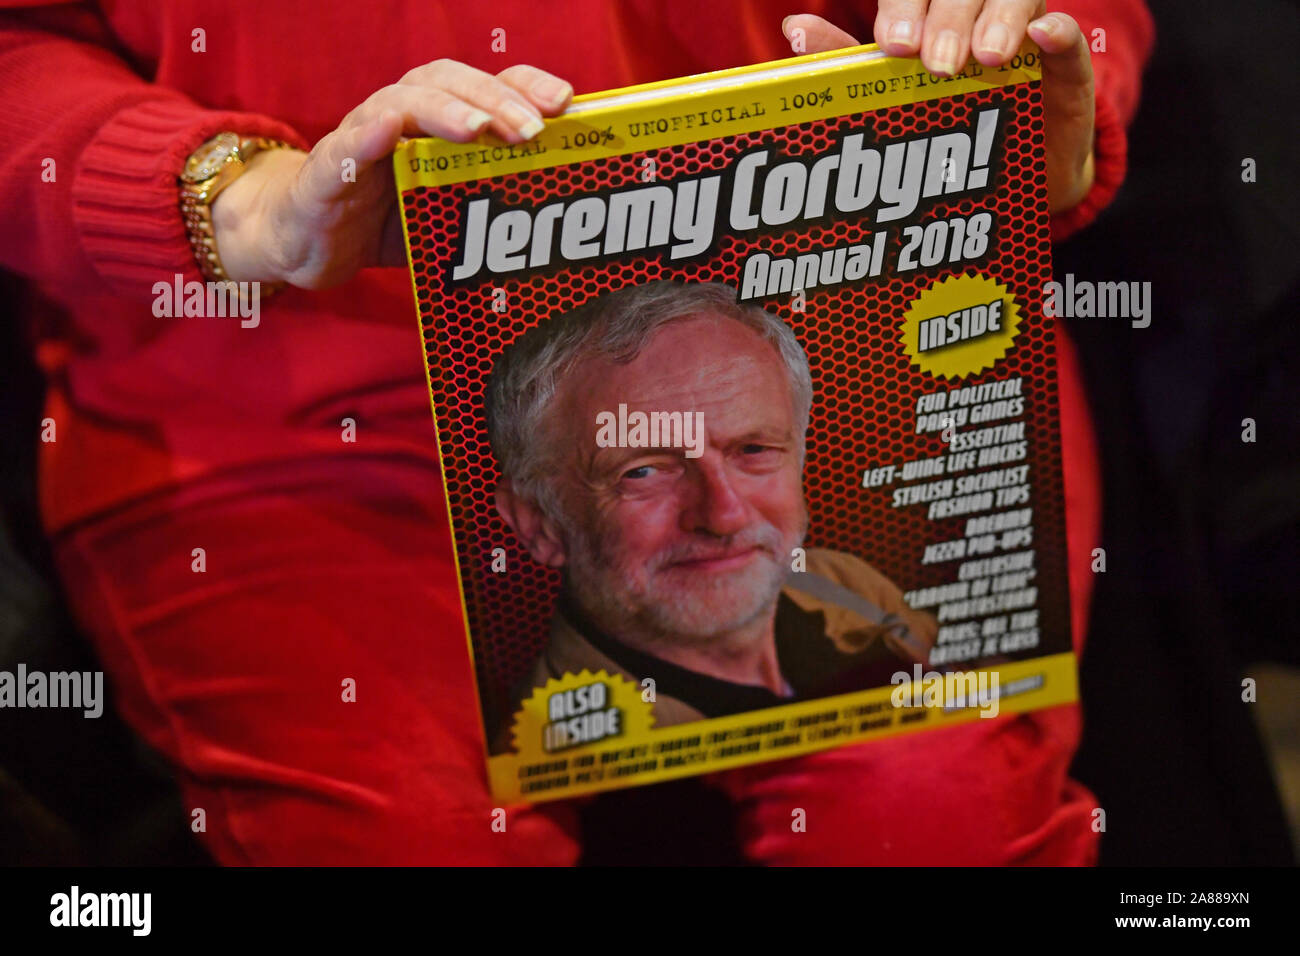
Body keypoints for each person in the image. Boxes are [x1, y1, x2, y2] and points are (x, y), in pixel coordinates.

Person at [0, 1, 1153, 864]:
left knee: (933, 821)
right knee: (414, 842)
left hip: (838, 317)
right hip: (293, 403)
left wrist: (1038, 72)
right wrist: (223, 196)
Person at [488, 281, 939, 732]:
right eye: (643, 471)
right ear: (538, 523)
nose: (725, 516)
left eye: (754, 449)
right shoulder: (561, 762)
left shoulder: (838, 583)